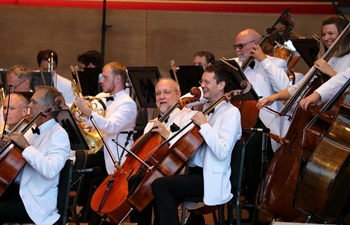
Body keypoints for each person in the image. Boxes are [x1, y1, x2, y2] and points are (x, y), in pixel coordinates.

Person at [151, 64, 242, 225]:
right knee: (156, 183)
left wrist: (204, 126)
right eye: (202, 81)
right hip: (195, 173)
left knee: (161, 186)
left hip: (211, 178)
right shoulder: (206, 108)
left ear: (221, 85)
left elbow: (222, 151)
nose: (202, 86)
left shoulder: (231, 113)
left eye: (207, 82)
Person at [127, 77, 198, 225]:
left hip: (178, 172)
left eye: (166, 92)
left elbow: (186, 150)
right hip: (155, 171)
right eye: (158, 93)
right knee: (135, 181)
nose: (161, 97)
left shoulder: (189, 117)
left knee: (156, 184)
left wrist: (166, 133)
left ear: (178, 95)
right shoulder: (151, 123)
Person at [232, 28, 290, 208]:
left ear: (255, 45)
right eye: (236, 46)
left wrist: (263, 60)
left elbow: (284, 87)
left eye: (241, 46)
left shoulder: (276, 63)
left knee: (252, 142)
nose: (237, 50)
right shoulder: (235, 64)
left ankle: (252, 192)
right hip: (238, 122)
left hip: (266, 126)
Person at [74, 61, 137, 222]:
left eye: (105, 77)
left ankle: (89, 212)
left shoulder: (128, 104)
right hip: (105, 156)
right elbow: (96, 123)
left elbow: (110, 126)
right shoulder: (102, 98)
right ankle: (80, 209)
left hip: (119, 162)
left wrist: (87, 112)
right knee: (83, 164)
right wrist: (81, 116)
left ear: (117, 79)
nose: (101, 80)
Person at [0, 86, 71, 224]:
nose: (29, 105)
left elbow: (50, 170)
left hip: (35, 201)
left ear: (48, 108)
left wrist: (26, 147)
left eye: (33, 102)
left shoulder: (58, 134)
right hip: (17, 191)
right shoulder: (32, 131)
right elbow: (14, 166)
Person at [258, 15, 350, 110]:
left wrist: (329, 71)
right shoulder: (324, 60)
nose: (326, 38)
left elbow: (347, 87)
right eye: (323, 34)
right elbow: (300, 87)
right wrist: (274, 97)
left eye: (330, 33)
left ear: (343, 35)